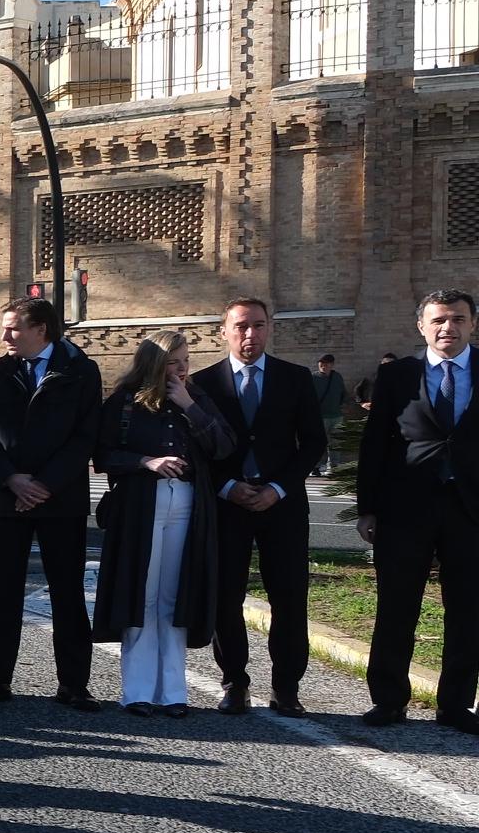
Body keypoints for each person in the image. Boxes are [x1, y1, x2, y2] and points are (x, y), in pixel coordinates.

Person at [0, 297, 103, 711]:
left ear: (40, 329)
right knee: (2, 593)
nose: (4, 336)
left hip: (61, 499)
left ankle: (74, 685)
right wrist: (12, 478)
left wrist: (44, 484)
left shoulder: (80, 370)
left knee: (68, 593)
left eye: (13, 328)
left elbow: (86, 435)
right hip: (6, 498)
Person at [353, 289, 479, 729]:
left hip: (470, 510)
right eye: (439, 319)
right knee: (396, 605)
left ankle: (456, 704)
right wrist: (367, 508)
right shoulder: (397, 375)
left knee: (468, 609)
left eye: (458, 319)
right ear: (422, 326)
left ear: (472, 324)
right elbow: (376, 443)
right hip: (404, 509)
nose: (448, 327)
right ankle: (389, 700)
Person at [195, 300, 327, 716]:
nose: (249, 334)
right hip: (228, 505)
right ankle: (234, 681)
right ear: (223, 331)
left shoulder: (295, 378)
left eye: (258, 325)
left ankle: (286, 687)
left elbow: (313, 443)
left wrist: (279, 488)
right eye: (240, 326)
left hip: (282, 506)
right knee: (226, 596)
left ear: (269, 328)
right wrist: (227, 486)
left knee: (289, 597)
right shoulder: (203, 383)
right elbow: (198, 451)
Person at [93, 335, 222, 718]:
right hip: (139, 505)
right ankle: (137, 691)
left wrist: (189, 405)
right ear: (153, 363)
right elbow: (103, 454)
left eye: (186, 360)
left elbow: (224, 446)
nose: (182, 369)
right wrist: (146, 461)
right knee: (142, 595)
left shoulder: (195, 398)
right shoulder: (125, 401)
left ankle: (173, 692)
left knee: (174, 597)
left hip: (186, 503)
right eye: (173, 361)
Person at [311, 352, 348, 441]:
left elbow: (343, 393)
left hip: (337, 416)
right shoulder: (312, 377)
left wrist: (344, 405)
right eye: (321, 363)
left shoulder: (337, 376)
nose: (323, 366)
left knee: (337, 443)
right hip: (320, 417)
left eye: (326, 363)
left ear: (332, 364)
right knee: (320, 443)